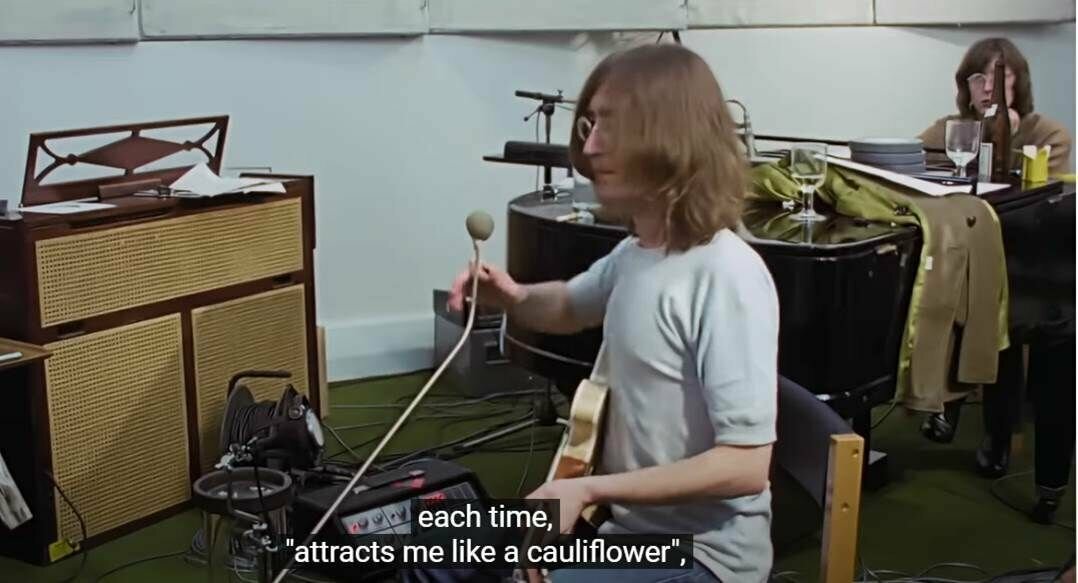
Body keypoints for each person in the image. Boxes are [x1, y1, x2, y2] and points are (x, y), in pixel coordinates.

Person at [446, 44, 779, 583]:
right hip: (623, 533)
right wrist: (510, 297)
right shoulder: (636, 254)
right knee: (428, 552)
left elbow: (745, 466)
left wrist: (588, 489)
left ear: (671, 137)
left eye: (611, 125)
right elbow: (568, 306)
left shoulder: (727, 274)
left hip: (703, 558)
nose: (591, 145)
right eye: (591, 124)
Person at [919, 37, 1073, 176]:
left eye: (1000, 77)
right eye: (977, 78)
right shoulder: (951, 129)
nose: (987, 87)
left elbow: (1039, 193)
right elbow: (907, 163)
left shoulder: (1048, 135)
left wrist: (1004, 135)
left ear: (1018, 82)